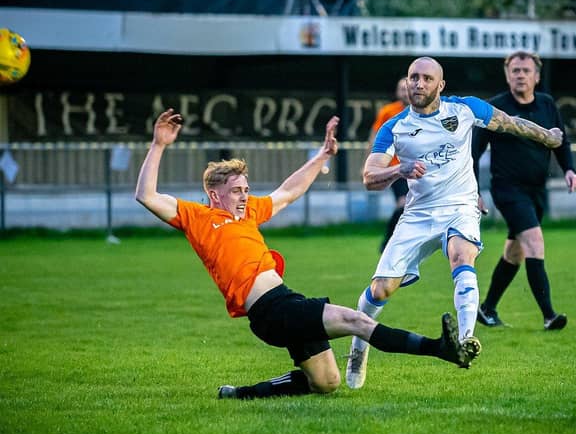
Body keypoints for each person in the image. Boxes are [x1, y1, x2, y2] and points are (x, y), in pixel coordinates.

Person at [135, 108, 468, 400]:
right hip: (269, 311)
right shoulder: (198, 218)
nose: (244, 196)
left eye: (246, 189)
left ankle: (241, 394)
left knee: (326, 383)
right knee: (355, 320)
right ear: (214, 193)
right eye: (236, 191)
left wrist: (322, 156)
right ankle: (439, 348)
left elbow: (288, 192)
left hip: (285, 302)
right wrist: (159, 144)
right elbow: (146, 195)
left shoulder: (249, 211)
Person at [345, 56, 564, 390]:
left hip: (460, 206)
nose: (418, 84)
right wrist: (398, 170)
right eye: (413, 78)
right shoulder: (395, 127)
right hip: (418, 214)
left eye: (426, 78)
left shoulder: (464, 110)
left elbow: (511, 123)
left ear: (440, 85)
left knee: (462, 256)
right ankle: (359, 346)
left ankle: (465, 339)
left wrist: (547, 136)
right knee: (381, 289)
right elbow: (369, 177)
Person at [472, 51, 576, 330]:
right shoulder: (494, 108)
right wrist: (474, 190)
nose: (520, 75)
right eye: (515, 70)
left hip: (537, 190)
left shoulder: (546, 104)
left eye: (526, 70)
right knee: (535, 242)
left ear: (537, 76)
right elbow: (472, 153)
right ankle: (549, 316)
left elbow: (561, 140)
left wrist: (569, 169)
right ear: (507, 75)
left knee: (515, 252)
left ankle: (486, 309)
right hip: (508, 190)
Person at [368, 77, 411, 252]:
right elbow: (374, 135)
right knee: (403, 203)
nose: (404, 92)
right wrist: (370, 163)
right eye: (401, 89)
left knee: (411, 206)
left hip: (417, 167)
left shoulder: (422, 112)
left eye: (406, 88)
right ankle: (388, 240)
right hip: (395, 168)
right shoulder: (388, 111)